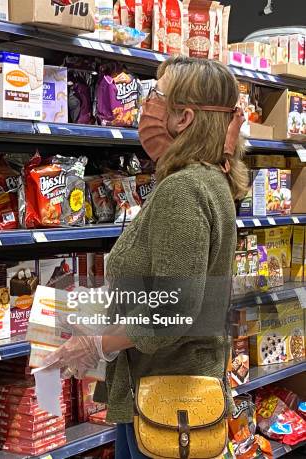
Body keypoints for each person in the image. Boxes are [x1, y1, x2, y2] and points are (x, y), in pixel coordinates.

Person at [42, 56, 249, 458]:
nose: (146, 103)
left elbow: (172, 313)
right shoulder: (208, 179)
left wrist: (95, 345)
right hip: (167, 394)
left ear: (183, 117)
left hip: (167, 400)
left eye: (157, 93)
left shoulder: (184, 190)